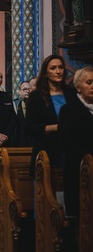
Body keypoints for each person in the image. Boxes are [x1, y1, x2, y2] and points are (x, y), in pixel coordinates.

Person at [26, 54, 75, 177]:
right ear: (46, 73)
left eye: (60, 67)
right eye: (53, 68)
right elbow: (31, 129)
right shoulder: (36, 97)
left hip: (70, 151)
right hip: (46, 152)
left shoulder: (71, 94)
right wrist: (58, 127)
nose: (58, 71)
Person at [60, 67, 93, 220]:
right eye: (89, 82)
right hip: (78, 171)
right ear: (79, 87)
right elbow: (66, 143)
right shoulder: (68, 110)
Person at [14, 81, 32, 146]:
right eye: (24, 89)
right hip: (19, 139)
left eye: (29, 89)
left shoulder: (36, 104)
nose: (27, 91)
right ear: (19, 91)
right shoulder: (15, 104)